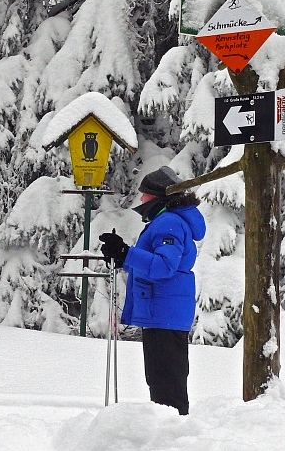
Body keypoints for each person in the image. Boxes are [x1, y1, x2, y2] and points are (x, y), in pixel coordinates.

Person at [99, 166, 206, 415]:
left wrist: (126, 253)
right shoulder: (169, 220)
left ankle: (173, 437)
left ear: (158, 196)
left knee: (165, 387)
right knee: (165, 382)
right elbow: (157, 264)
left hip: (164, 313)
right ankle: (171, 434)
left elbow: (163, 267)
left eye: (145, 193)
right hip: (165, 313)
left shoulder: (168, 222)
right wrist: (124, 257)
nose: (141, 199)